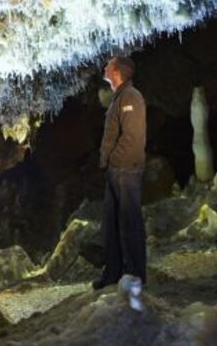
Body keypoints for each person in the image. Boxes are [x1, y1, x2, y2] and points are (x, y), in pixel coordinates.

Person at [92, 55, 147, 290]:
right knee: (111, 223)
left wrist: (115, 160)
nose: (104, 67)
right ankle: (113, 272)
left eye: (108, 65)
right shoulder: (119, 97)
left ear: (116, 73)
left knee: (129, 224)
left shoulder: (131, 97)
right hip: (116, 171)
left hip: (125, 170)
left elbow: (132, 137)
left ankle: (135, 273)